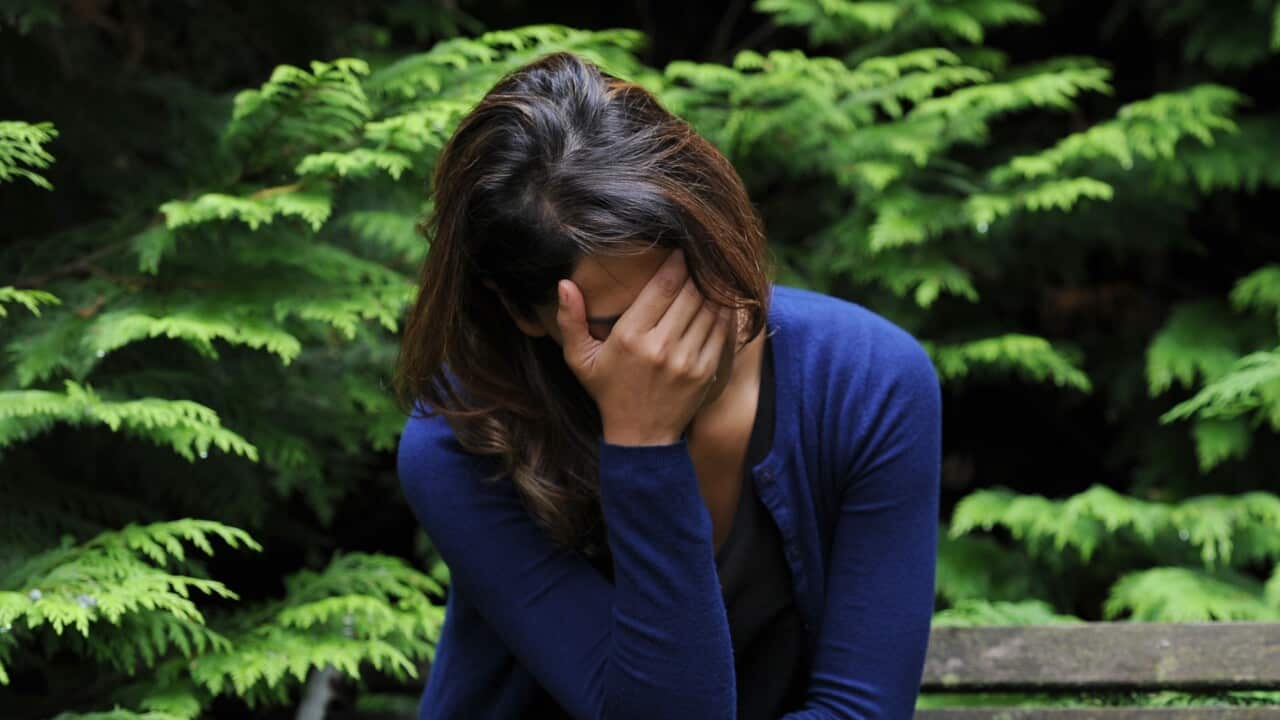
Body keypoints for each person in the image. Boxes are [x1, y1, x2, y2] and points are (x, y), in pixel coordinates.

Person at [394, 50, 942, 720]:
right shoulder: (462, 440)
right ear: (521, 312)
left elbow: (860, 711)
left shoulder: (867, 381)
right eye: (631, 324)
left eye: (707, 270)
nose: (690, 336)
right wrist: (644, 444)